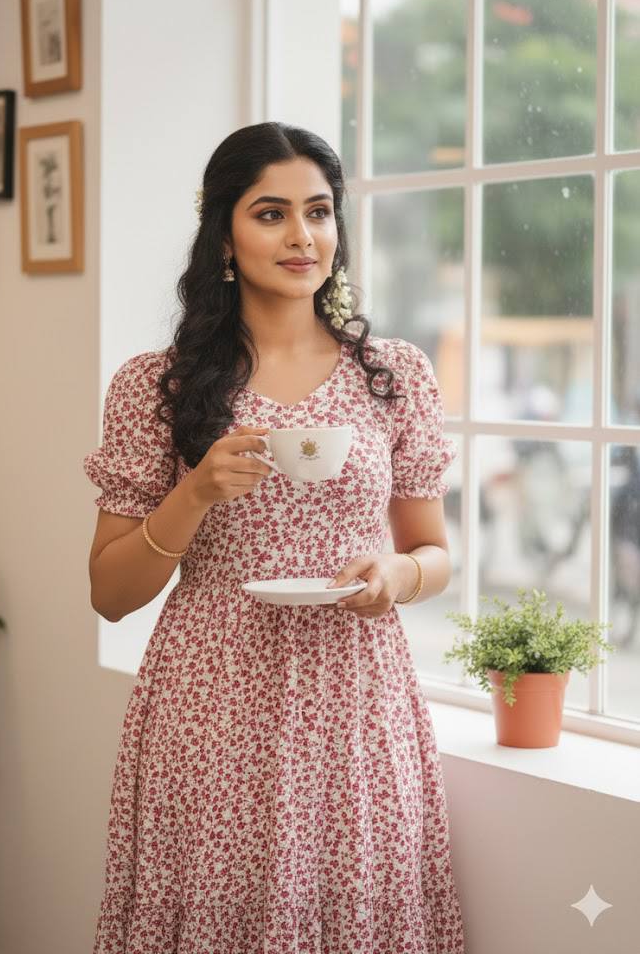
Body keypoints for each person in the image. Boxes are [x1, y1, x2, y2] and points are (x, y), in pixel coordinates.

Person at [84, 121, 465, 952]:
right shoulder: (155, 385)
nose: (303, 236)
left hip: (356, 696)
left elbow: (435, 552)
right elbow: (110, 595)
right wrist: (197, 490)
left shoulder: (395, 375)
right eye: (270, 214)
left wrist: (397, 578)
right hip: (211, 699)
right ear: (222, 233)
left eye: (319, 212)